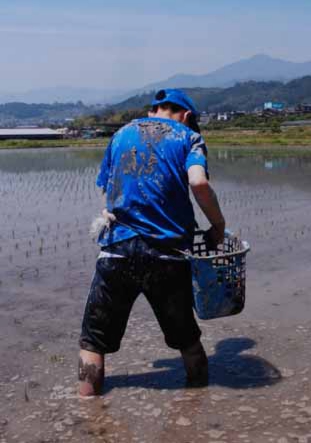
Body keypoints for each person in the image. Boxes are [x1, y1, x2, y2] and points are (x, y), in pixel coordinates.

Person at [78, 89, 226, 397]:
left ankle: (87, 410)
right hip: (167, 256)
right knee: (187, 339)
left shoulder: (120, 134)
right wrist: (218, 225)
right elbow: (198, 182)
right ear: (186, 116)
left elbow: (110, 188)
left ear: (153, 111)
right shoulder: (188, 137)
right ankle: (199, 402)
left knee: (93, 342)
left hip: (116, 251)